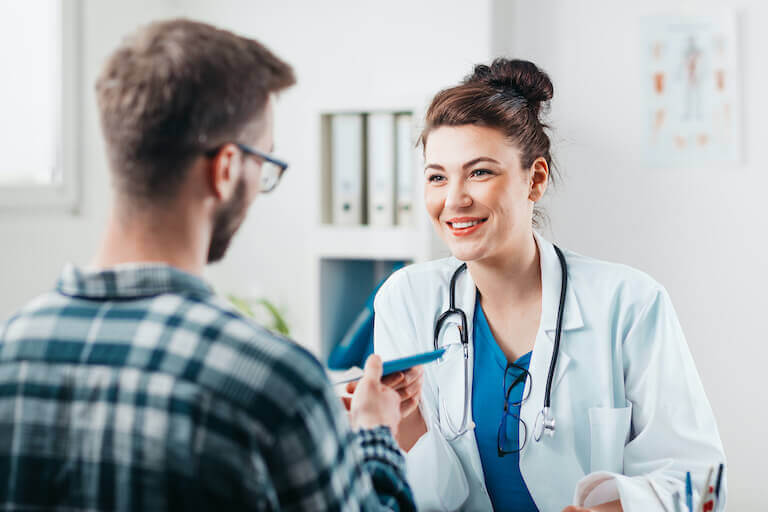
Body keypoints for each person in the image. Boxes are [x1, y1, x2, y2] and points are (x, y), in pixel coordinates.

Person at [0, 19, 415, 511]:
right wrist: (375, 436)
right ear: (225, 169)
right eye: (265, 164)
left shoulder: (13, 347)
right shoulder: (274, 385)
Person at [372, 59, 726, 511]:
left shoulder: (630, 303)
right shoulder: (407, 300)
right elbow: (424, 496)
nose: (454, 199)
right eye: (437, 176)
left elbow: (697, 476)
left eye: (479, 172)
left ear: (534, 179)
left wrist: (617, 506)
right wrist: (400, 423)